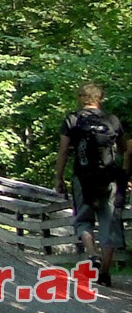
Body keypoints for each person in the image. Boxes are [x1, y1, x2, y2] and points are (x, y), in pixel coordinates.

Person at [53, 82, 130, 286]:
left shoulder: (72, 119)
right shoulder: (112, 120)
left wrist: (58, 178)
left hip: (83, 178)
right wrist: (126, 175)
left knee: (83, 219)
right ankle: (104, 273)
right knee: (109, 223)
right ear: (100, 99)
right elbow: (126, 149)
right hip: (110, 179)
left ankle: (92, 254)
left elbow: (63, 151)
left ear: (81, 98)